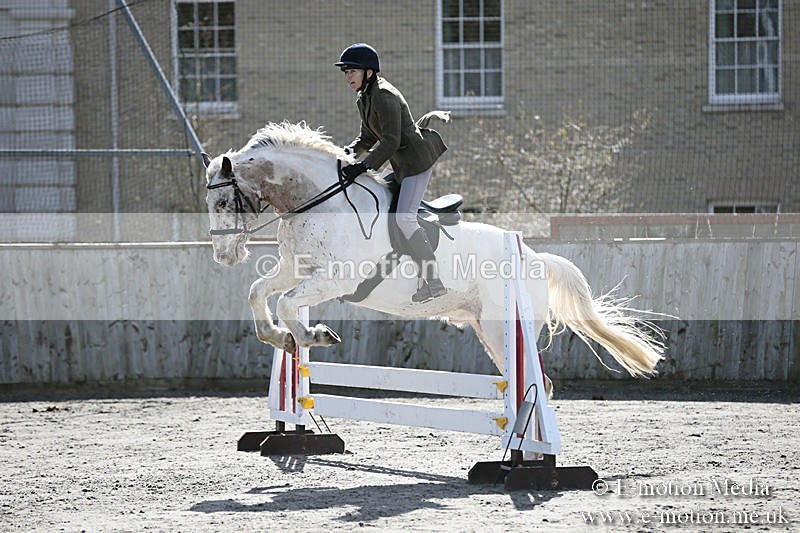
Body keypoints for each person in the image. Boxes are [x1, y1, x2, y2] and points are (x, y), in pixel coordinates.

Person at [335, 43, 448, 303]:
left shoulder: (384, 96)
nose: (348, 77)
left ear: (369, 72)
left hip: (416, 163)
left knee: (404, 218)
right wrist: (344, 156)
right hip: (399, 163)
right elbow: (366, 138)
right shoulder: (365, 97)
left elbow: (390, 141)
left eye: (352, 71)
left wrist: (363, 166)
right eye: (346, 72)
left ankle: (434, 281)